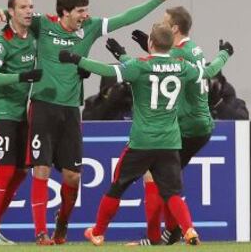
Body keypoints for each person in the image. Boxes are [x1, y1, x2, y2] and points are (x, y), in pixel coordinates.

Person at [0, 0, 173, 245]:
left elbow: (126, 17)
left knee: (72, 176)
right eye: (80, 11)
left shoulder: (90, 27)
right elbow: (18, 18)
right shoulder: (43, 24)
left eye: (86, 10)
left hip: (70, 110)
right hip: (42, 105)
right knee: (40, 169)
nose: (85, 15)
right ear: (64, 12)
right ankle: (41, 233)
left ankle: (62, 222)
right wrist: (1, 12)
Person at [58, 23, 233, 246]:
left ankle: (98, 232)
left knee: (117, 186)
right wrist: (224, 53)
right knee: (172, 193)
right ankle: (189, 229)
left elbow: (106, 70)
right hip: (170, 141)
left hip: (142, 141)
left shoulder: (139, 66)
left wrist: (77, 59)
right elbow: (209, 71)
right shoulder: (182, 66)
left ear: (150, 43)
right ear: (171, 45)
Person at [110, 6, 234, 245]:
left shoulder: (181, 53)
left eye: (165, 22)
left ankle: (159, 238)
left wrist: (126, 56)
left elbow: (155, 67)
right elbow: (206, 70)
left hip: (186, 126)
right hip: (201, 125)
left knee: (154, 176)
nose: (161, 24)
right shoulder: (193, 48)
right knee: (165, 178)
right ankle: (171, 233)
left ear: (175, 28)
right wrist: (224, 54)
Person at [0, 0, 42, 245]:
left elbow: (53, 22)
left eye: (31, 6)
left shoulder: (34, 31)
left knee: (20, 172)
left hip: (20, 113)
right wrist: (21, 77)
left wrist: (4, 11)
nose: (29, 11)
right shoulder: (2, 39)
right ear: (13, 12)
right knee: (5, 170)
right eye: (23, 7)